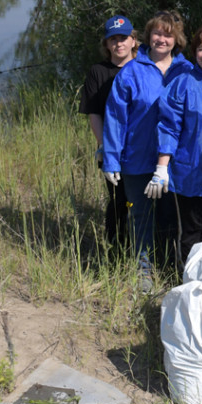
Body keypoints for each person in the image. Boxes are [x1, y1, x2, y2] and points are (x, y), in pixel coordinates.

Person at [102, 11, 193, 287]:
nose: (161, 39)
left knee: (170, 216)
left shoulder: (187, 70)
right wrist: (111, 160)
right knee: (140, 214)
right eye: (157, 33)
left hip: (175, 162)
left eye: (168, 34)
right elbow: (115, 117)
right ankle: (143, 271)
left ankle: (168, 267)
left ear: (176, 39)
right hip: (137, 159)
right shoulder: (131, 71)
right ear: (147, 37)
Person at [151, 22, 202, 265]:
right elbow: (169, 126)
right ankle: (187, 283)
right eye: (201, 49)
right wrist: (161, 167)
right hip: (189, 173)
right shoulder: (182, 83)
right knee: (190, 233)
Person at [79, 15, 137, 251]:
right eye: (113, 39)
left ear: (134, 40)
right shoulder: (98, 72)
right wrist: (105, 148)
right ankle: (117, 250)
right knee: (117, 202)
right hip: (113, 150)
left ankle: (144, 249)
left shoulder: (145, 67)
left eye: (123, 38)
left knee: (143, 203)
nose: (118, 44)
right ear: (106, 44)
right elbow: (94, 112)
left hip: (141, 149)